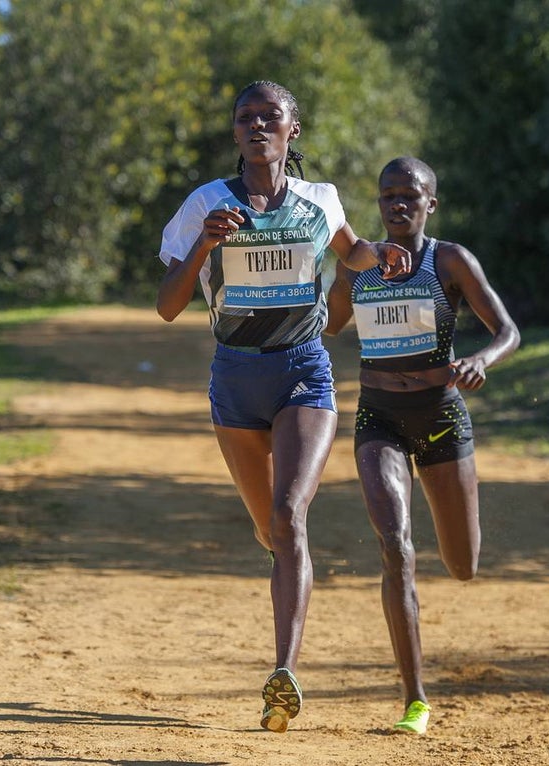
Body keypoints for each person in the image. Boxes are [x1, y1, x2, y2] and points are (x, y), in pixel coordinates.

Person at [156, 80, 411, 734]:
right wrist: (206, 245)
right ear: (235, 132)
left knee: (291, 515)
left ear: (293, 130)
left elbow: (349, 250)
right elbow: (167, 303)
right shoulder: (206, 204)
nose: (257, 124)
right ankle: (276, 544)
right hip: (234, 383)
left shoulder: (318, 199)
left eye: (271, 116)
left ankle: (283, 675)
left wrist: (379, 256)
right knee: (271, 528)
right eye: (246, 117)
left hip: (304, 374)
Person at [325, 156, 521, 734]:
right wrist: (342, 273)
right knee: (396, 547)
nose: (398, 205)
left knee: (462, 564)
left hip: (441, 418)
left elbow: (507, 331)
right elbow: (330, 324)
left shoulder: (450, 260)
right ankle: (415, 697)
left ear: (430, 203)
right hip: (378, 417)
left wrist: (481, 361)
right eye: (388, 196)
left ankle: (456, 562)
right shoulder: (360, 263)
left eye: (410, 195)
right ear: (379, 203)